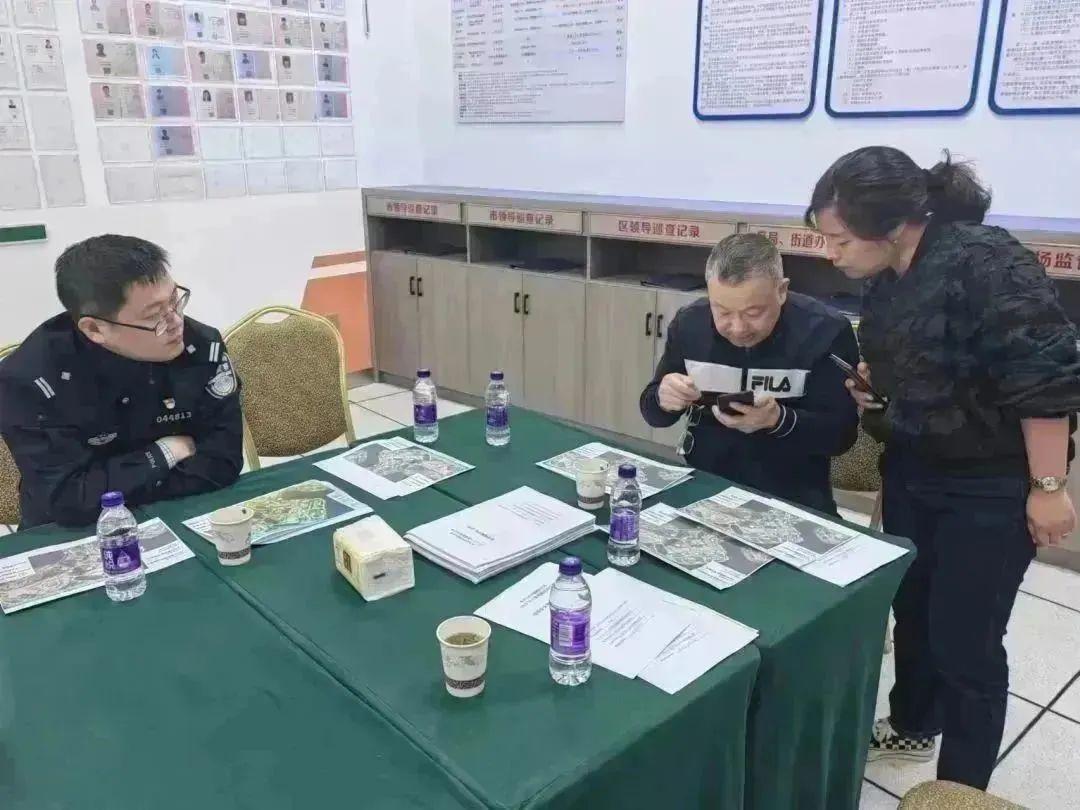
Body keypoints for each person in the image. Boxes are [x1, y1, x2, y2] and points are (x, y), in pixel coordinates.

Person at [805, 146, 1080, 790]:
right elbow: (914, 363)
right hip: (916, 466)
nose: (830, 253)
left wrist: (1048, 487)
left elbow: (1045, 379)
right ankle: (912, 724)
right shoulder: (887, 274)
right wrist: (878, 389)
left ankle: (960, 790)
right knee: (914, 610)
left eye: (840, 239)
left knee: (967, 643)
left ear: (892, 225)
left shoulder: (988, 261)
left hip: (989, 484)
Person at [0, 236, 243, 529]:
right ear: (95, 329)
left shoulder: (202, 345)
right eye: (154, 315)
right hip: (74, 534)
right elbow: (69, 500)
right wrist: (166, 452)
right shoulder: (31, 381)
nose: (176, 322)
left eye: (174, 301)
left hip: (183, 508)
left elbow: (223, 462)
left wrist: (117, 482)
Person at [640, 233, 859, 513]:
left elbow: (841, 436)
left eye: (753, 313)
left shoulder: (825, 331)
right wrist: (663, 398)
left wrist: (778, 419)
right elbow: (653, 414)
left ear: (782, 291)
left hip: (794, 496)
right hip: (706, 488)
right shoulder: (690, 324)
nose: (738, 327)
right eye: (722, 312)